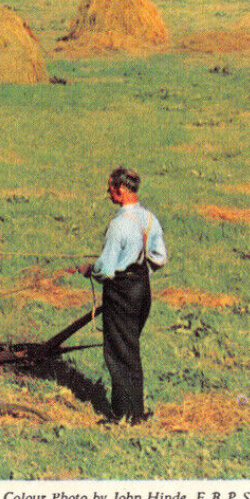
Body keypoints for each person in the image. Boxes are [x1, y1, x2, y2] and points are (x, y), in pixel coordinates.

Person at [82, 166, 167, 423]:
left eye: (109, 188)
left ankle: (123, 415)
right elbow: (160, 258)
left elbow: (106, 269)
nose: (108, 193)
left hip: (120, 292)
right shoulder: (150, 218)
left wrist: (89, 270)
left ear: (120, 190)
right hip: (142, 289)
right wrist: (138, 269)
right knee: (130, 348)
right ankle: (134, 410)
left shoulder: (119, 225)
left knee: (119, 352)